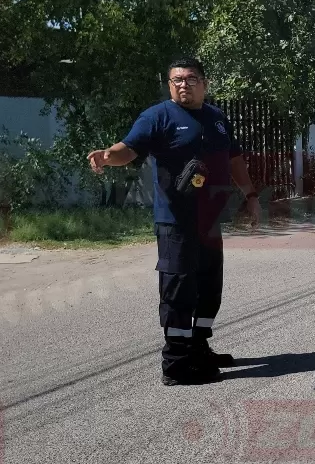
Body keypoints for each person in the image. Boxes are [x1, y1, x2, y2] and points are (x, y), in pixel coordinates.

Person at [87, 57, 261, 386]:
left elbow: (234, 159)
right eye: (177, 79)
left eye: (191, 78)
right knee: (179, 291)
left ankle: (198, 347)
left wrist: (251, 197)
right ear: (169, 85)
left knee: (209, 288)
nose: (184, 84)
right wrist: (109, 156)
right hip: (176, 223)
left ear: (205, 84)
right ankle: (177, 364)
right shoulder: (158, 116)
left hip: (210, 222)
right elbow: (129, 148)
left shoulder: (217, 118)